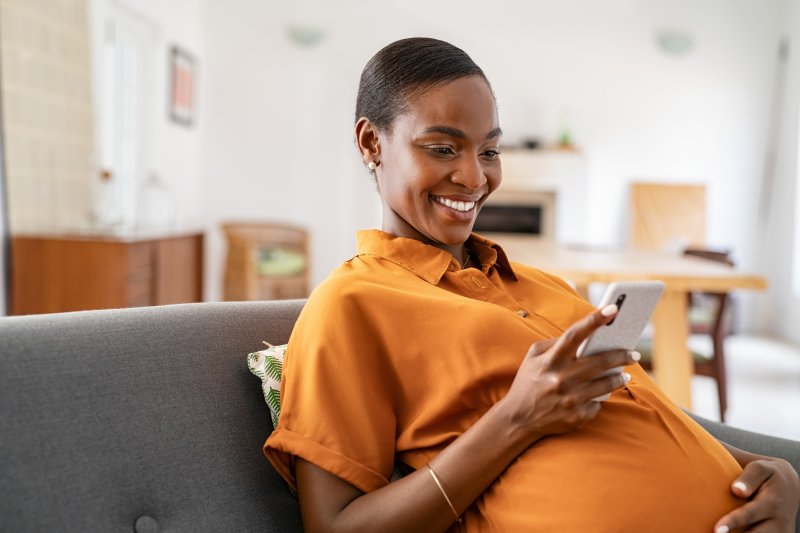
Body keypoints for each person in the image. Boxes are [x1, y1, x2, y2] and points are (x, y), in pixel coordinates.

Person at [265, 37, 799, 532]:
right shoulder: (351, 304)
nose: (476, 178)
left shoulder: (546, 286)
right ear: (371, 142)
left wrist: (767, 470)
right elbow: (336, 526)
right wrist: (515, 420)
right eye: (443, 149)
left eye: (490, 151)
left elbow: (646, 420)